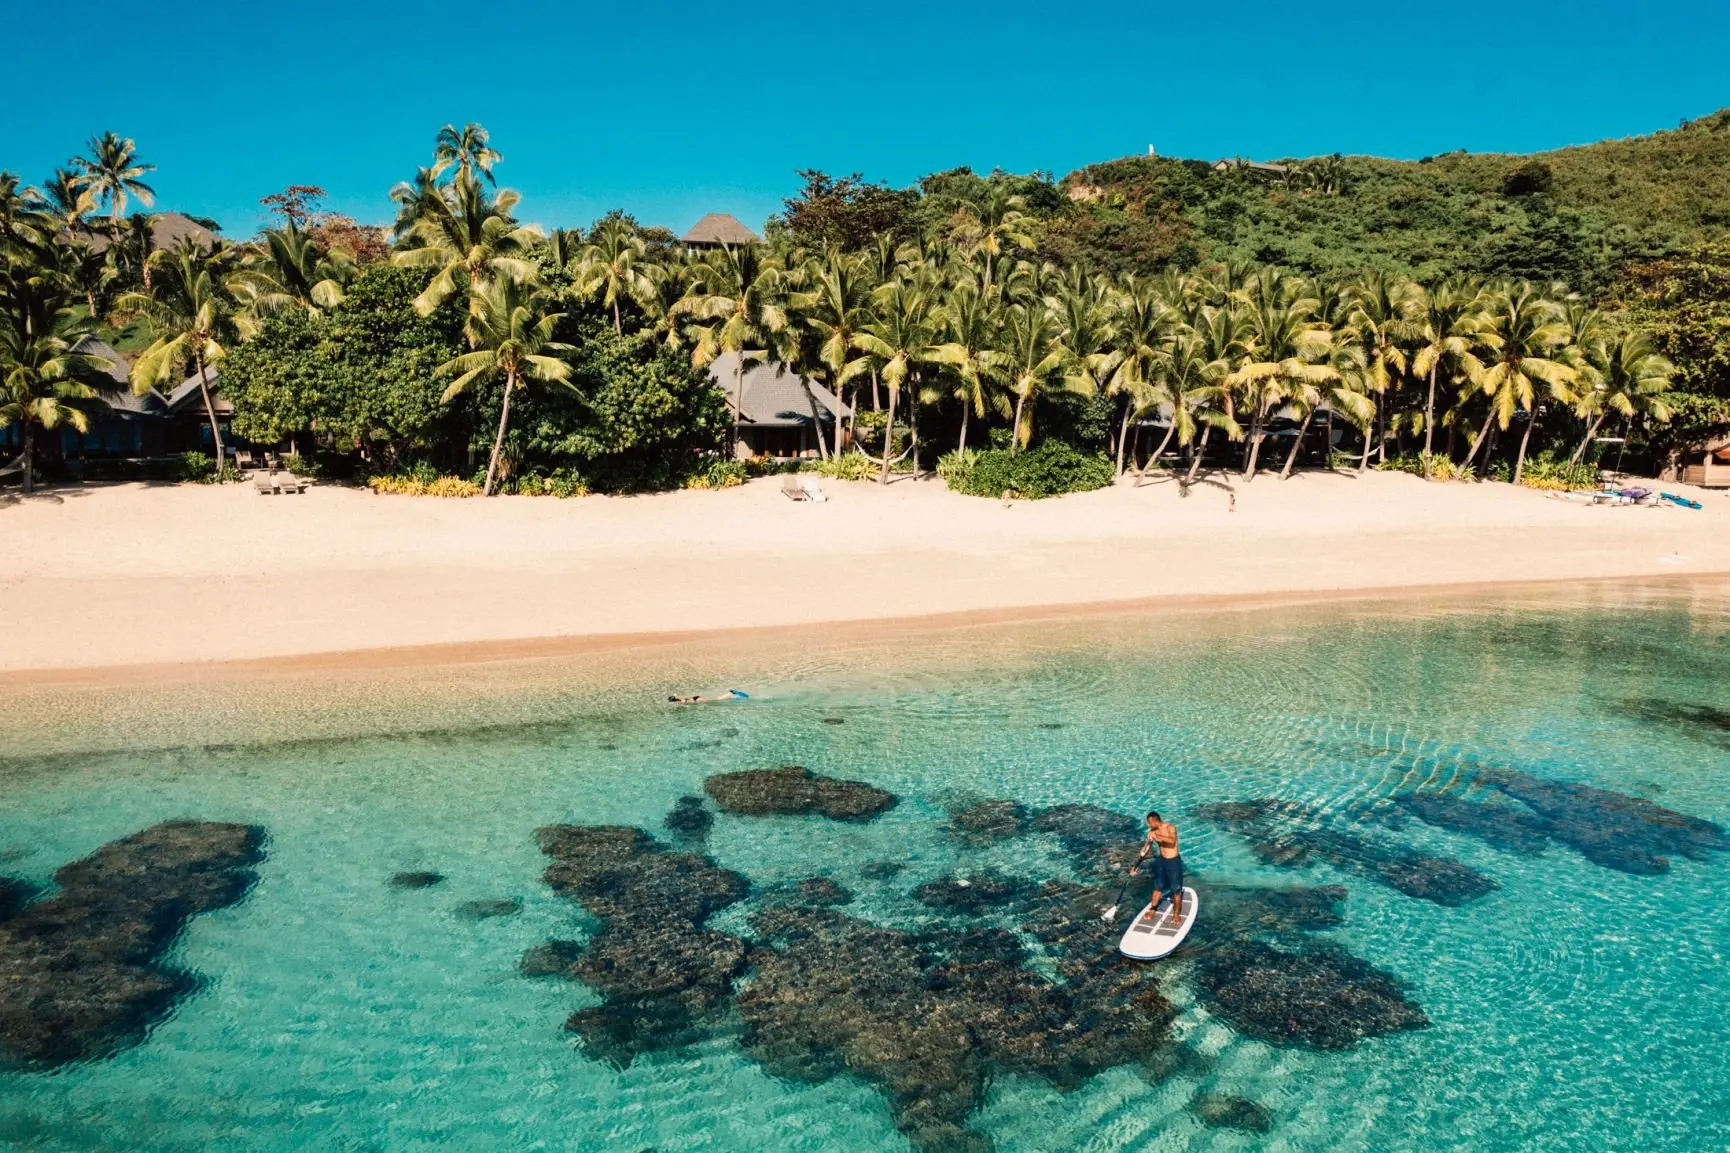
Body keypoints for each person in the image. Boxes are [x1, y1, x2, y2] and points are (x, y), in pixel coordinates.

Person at [1130, 811, 1184, 924]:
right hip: (1162, 861)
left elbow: (1172, 841)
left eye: (1149, 823)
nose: (1148, 825)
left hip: (1174, 862)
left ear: (1155, 821)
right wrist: (1135, 866)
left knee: (1176, 890)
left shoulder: (1170, 827)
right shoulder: (1151, 832)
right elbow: (1145, 849)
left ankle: (1176, 914)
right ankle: (1153, 909)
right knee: (1157, 886)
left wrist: (1157, 836)